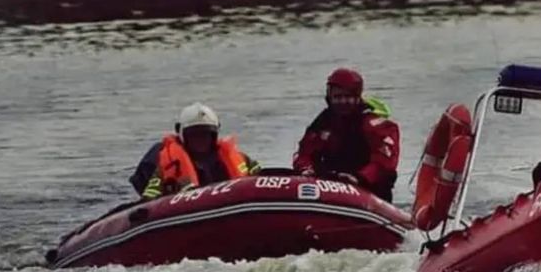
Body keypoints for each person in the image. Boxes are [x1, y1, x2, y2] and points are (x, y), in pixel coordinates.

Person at [292, 68, 400, 201]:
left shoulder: (375, 125)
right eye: (338, 97)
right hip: (328, 189)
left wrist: (358, 178)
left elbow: (384, 163)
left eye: (348, 97)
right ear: (329, 97)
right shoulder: (323, 123)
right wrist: (306, 169)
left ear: (357, 97)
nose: (343, 101)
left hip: (369, 192)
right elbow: (304, 153)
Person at [131, 102, 260, 199]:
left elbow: (262, 179)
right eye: (194, 135)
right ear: (183, 135)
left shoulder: (241, 159)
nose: (200, 140)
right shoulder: (168, 165)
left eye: (205, 134)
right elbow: (150, 198)